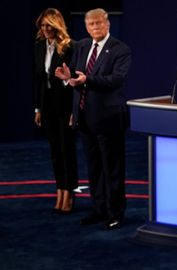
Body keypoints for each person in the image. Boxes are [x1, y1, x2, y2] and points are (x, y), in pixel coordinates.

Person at [55, 8, 131, 230]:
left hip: (108, 118)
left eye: (99, 23)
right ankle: (98, 210)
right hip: (84, 117)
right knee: (94, 167)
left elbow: (115, 80)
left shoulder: (120, 49)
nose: (95, 27)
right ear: (86, 27)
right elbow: (76, 80)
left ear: (108, 24)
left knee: (112, 168)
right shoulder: (82, 46)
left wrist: (86, 80)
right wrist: (69, 81)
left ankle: (115, 212)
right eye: (91, 25)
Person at [34, 8, 78, 214]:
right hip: (48, 105)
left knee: (66, 149)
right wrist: (38, 108)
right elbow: (39, 81)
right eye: (42, 26)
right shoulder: (39, 46)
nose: (45, 29)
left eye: (49, 25)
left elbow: (75, 81)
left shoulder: (69, 48)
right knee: (54, 151)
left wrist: (74, 110)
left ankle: (69, 192)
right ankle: (59, 189)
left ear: (56, 25)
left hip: (65, 105)